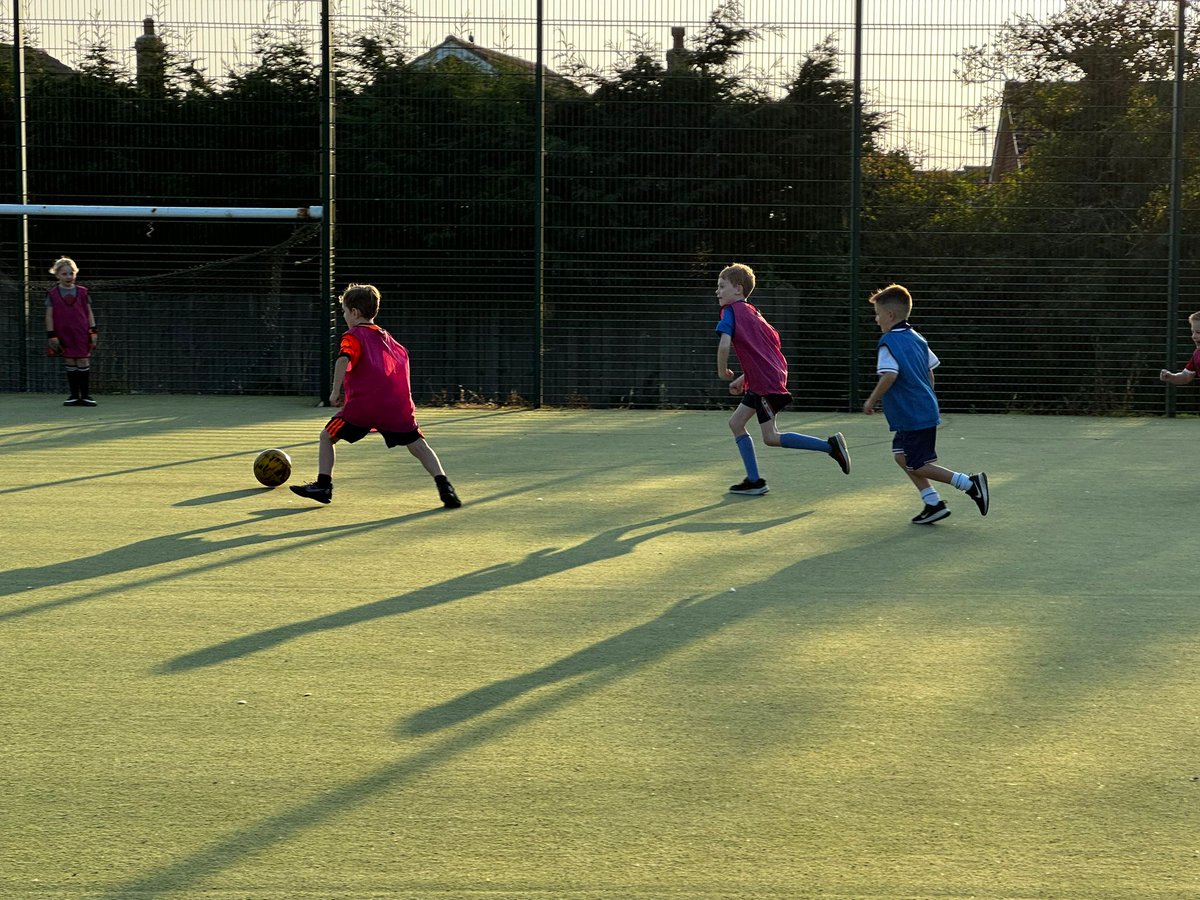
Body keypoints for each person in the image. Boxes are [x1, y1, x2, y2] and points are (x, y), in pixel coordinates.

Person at [290, 283, 462, 509]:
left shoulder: (353, 336)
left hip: (364, 408)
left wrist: (334, 391)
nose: (344, 316)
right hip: (395, 408)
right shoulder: (387, 338)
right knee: (418, 445)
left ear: (354, 312)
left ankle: (324, 485)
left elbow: (343, 359)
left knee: (327, 437)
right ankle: (445, 486)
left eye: (343, 311)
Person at [715, 262, 850, 495]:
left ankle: (830, 446)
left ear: (738, 289)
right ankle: (754, 480)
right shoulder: (754, 314)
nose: (717, 291)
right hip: (764, 380)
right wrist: (744, 377)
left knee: (770, 437)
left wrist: (722, 370)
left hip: (765, 384)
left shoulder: (731, 312)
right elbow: (766, 351)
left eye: (721, 286)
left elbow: (724, 344)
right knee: (736, 423)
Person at [862, 283, 988, 524]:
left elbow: (889, 375)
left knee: (918, 464)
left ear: (889, 315)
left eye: (877, 314)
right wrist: (926, 395)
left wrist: (871, 400)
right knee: (901, 456)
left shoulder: (888, 342)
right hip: (917, 411)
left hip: (912, 414)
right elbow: (930, 371)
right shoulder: (917, 338)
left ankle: (970, 484)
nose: (876, 319)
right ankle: (933, 503)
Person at [45, 257, 98, 407]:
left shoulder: (83, 292)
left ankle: (86, 396)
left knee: (83, 360)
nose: (68, 277)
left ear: (76, 274)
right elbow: (49, 315)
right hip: (63, 333)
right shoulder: (52, 294)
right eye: (64, 274)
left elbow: (89, 312)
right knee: (69, 360)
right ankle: (74, 396)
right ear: (57, 275)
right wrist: (51, 334)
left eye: (71, 273)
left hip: (81, 332)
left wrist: (93, 330)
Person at [1158, 311, 1200, 387]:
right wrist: (1171, 377)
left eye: (1198, 332)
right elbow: (1186, 376)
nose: (1194, 336)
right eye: (1192, 332)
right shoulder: (1197, 354)